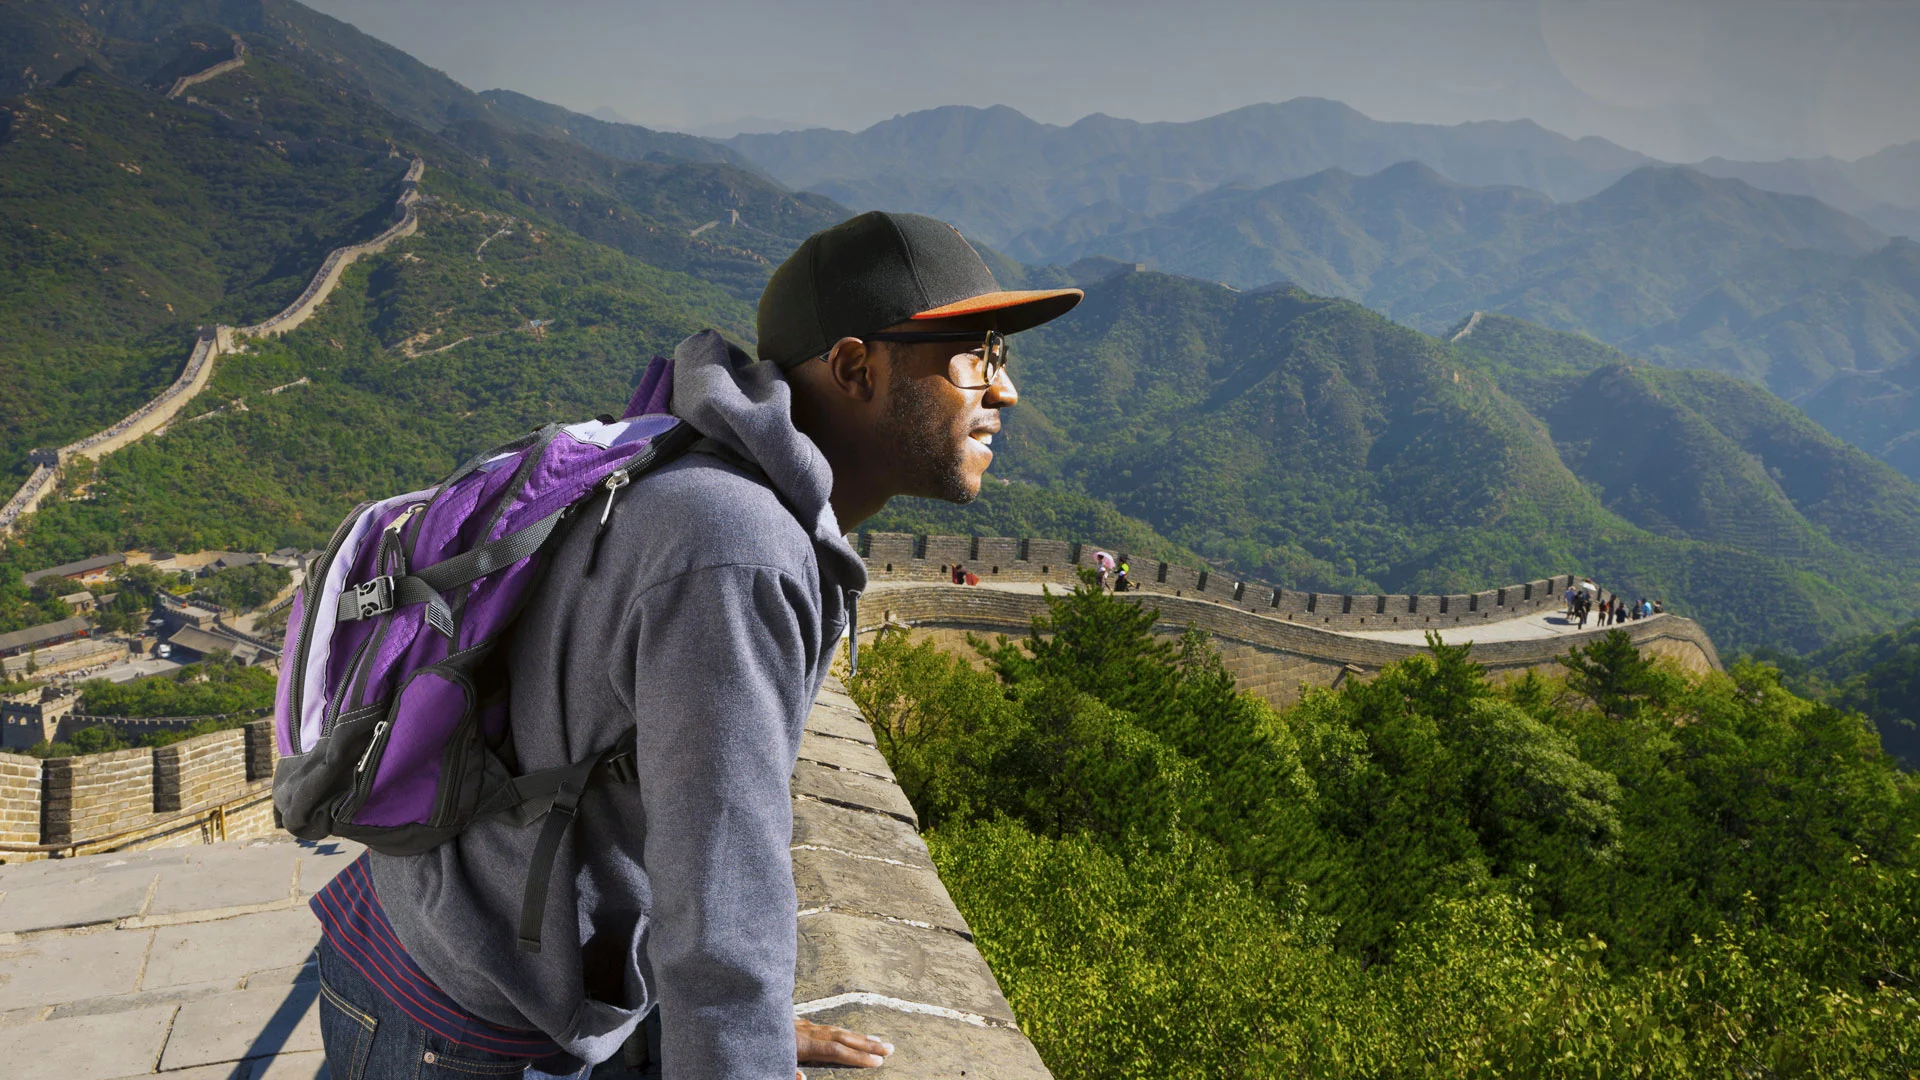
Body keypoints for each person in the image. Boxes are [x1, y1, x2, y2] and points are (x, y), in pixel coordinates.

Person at [309, 211, 1082, 1079]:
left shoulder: (710, 483)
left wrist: (711, 1022)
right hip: (452, 1031)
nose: (1003, 391)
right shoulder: (734, 544)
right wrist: (733, 1043)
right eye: (975, 355)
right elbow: (722, 890)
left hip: (423, 950)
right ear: (857, 368)